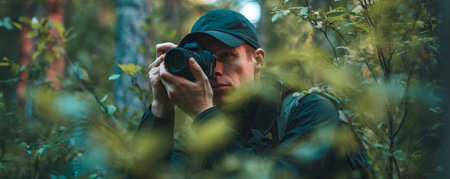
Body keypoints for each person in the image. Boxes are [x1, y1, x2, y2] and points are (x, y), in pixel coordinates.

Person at [137, 9, 373, 178]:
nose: (215, 70)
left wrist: (204, 114)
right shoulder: (204, 129)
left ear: (257, 60)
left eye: (227, 56)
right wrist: (160, 110)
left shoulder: (311, 110)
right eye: (207, 60)